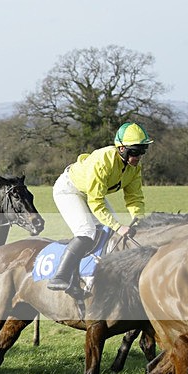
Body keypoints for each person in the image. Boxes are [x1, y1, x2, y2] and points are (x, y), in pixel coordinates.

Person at [47, 122, 151, 292]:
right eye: (135, 152)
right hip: (69, 189)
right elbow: (96, 202)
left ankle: (98, 273)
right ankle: (61, 276)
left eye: (142, 151)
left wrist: (138, 219)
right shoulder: (103, 161)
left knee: (109, 232)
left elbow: (134, 197)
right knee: (87, 231)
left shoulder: (134, 167)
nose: (138, 157)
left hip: (92, 193)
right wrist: (118, 226)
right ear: (122, 149)